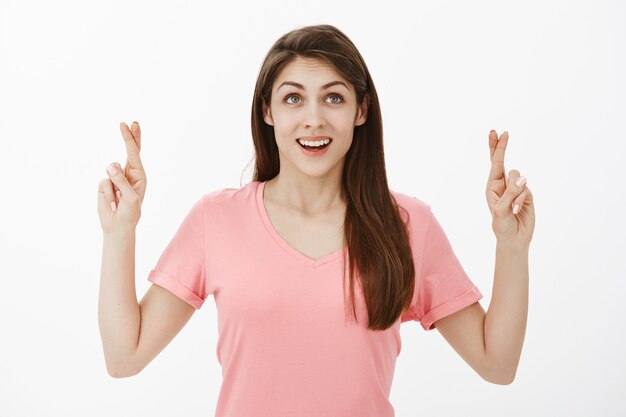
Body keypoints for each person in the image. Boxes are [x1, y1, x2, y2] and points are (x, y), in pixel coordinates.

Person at [97, 24, 535, 417]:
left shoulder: (407, 225)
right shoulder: (217, 219)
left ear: (361, 110)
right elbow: (125, 356)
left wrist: (511, 246)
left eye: (333, 97)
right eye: (293, 98)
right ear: (267, 111)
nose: (314, 119)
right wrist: (120, 233)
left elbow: (496, 364)